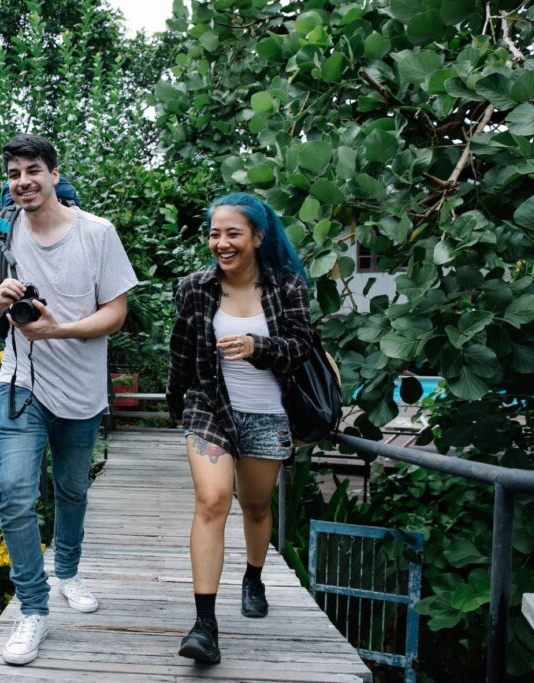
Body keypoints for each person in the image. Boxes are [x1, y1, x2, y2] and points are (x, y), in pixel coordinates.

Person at [0, 134, 138, 666]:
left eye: (33, 170)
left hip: (82, 390)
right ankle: (33, 609)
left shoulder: (97, 233)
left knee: (71, 490)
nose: (23, 181)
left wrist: (59, 330)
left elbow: (116, 314)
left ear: (52, 173)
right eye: (14, 173)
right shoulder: (2, 232)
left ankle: (67, 571)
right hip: (20, 384)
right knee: (15, 494)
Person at [166, 192, 313, 665]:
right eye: (214, 233)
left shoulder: (287, 287)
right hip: (210, 410)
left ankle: (253, 575)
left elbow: (299, 349)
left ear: (257, 237)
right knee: (212, 501)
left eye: (233, 233)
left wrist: (256, 346)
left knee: (255, 505)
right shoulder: (194, 288)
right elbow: (182, 351)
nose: (221, 243)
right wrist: (177, 407)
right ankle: (204, 625)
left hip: (268, 414)